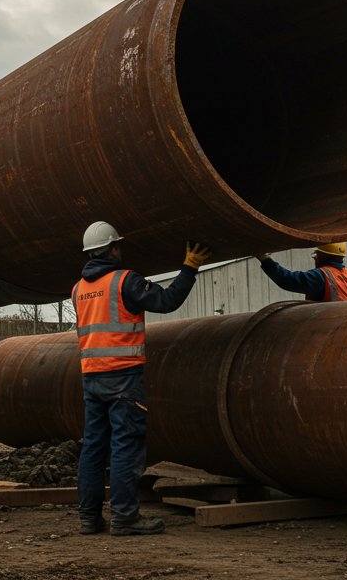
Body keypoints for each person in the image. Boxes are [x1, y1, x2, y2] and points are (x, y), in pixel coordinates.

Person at [73, 221, 212, 537]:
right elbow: (166, 301)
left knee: (93, 448)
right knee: (126, 445)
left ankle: (89, 518)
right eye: (119, 245)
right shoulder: (124, 281)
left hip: (91, 379)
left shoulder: (78, 290)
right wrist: (189, 267)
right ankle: (124, 517)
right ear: (112, 248)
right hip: (123, 377)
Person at [254, 243, 347, 301]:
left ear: (323, 256)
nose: (315, 259)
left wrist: (263, 258)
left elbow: (287, 280)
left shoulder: (321, 276)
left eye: (316, 255)